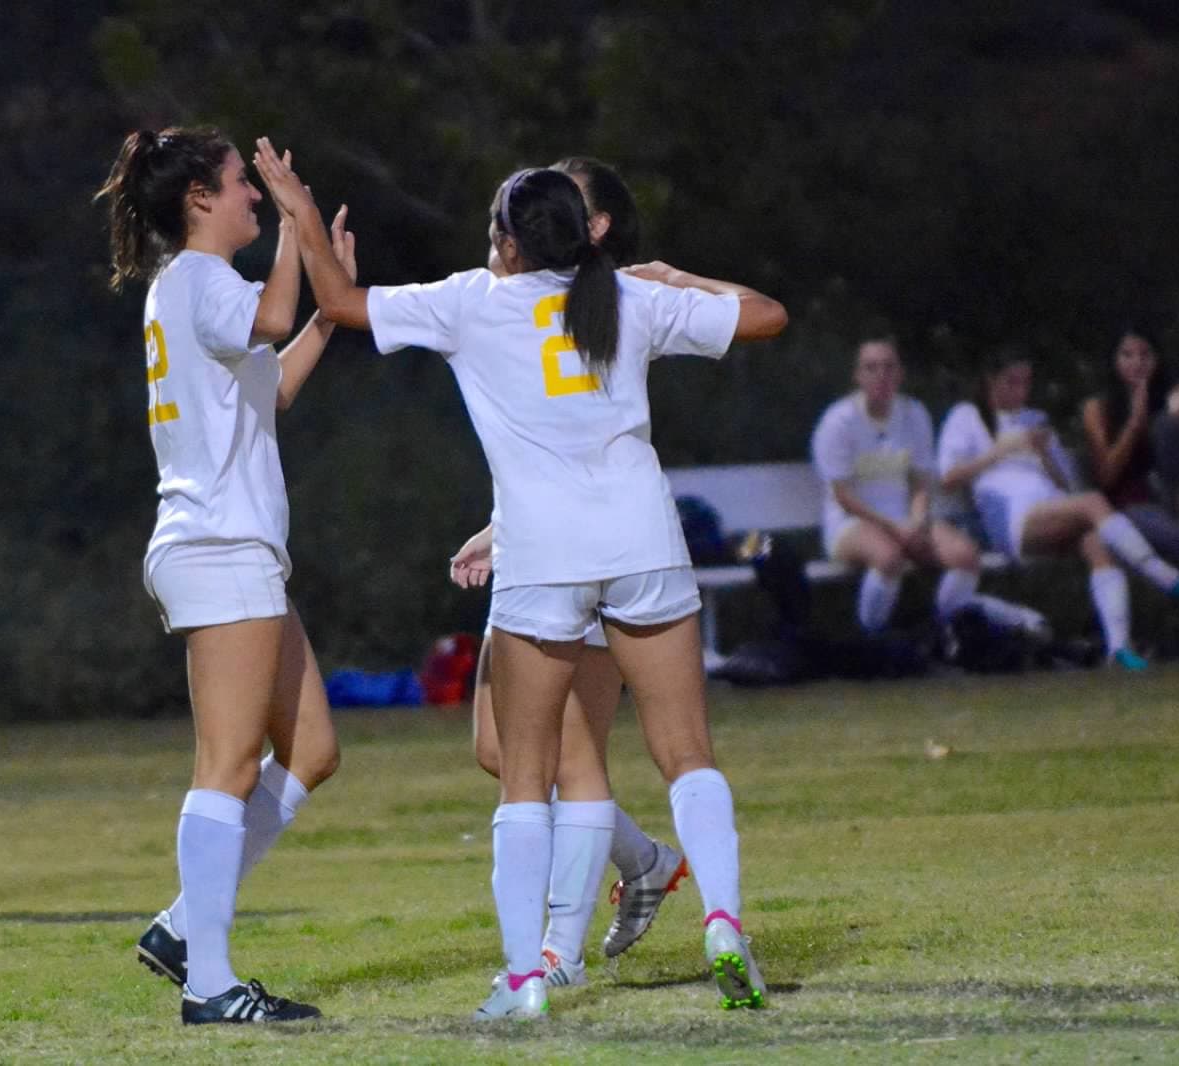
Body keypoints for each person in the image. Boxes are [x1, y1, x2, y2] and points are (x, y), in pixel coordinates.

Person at [254, 138, 789, 1018]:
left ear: (508, 241)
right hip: (643, 545)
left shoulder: (475, 302)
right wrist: (676, 277)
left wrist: (300, 212)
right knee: (687, 755)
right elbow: (766, 315)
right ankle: (725, 924)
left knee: (525, 776)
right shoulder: (627, 296)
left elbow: (340, 302)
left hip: (542, 559)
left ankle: (525, 977)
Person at [95, 126, 353, 1025]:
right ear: (199, 198)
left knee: (310, 751)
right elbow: (271, 318)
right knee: (227, 767)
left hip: (233, 550)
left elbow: (269, 386)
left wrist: (329, 312)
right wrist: (296, 224)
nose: (255, 192)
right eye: (244, 181)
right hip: (218, 547)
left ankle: (181, 928)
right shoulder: (202, 278)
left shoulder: (195, 287)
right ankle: (208, 983)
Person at [460, 158, 690, 986]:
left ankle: (557, 951)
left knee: (569, 760)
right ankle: (646, 860)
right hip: (537, 549)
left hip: (598, 557)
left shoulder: (615, 301)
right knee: (503, 751)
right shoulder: (532, 296)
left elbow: (598, 446)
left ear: (594, 228)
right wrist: (499, 527)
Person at [937, 347, 1179, 671]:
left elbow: (1065, 484)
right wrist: (1000, 451)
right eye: (1011, 382)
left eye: (1026, 382)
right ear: (991, 381)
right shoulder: (967, 416)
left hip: (1051, 509)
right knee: (1093, 502)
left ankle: (1118, 648)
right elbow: (948, 478)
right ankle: (1167, 578)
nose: (1020, 391)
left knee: (1096, 542)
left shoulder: (1034, 419)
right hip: (1013, 520)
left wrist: (1044, 454)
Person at [811, 337, 1048, 640]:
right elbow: (843, 496)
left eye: (889, 367)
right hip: (851, 523)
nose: (881, 375)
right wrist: (895, 529)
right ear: (858, 376)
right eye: (871, 368)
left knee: (965, 556)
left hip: (907, 520)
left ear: (900, 374)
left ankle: (943, 630)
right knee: (889, 558)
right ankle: (872, 640)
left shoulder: (913, 414)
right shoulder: (839, 422)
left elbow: (920, 483)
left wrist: (917, 520)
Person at [1081, 328, 1179, 658]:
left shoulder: (1166, 404)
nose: (1137, 363)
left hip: (1173, 503)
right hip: (1122, 508)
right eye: (1127, 355)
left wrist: (1177, 421)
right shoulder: (1098, 409)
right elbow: (1106, 477)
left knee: (1168, 429)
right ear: (1113, 361)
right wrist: (1135, 423)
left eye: (1145, 355)